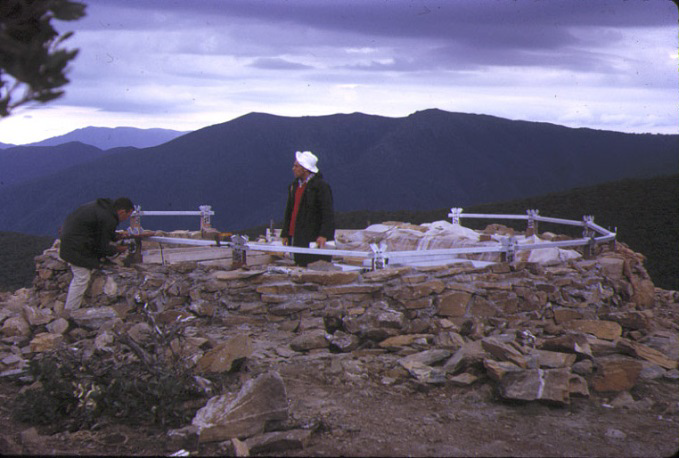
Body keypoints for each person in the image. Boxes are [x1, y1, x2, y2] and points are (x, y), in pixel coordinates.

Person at [59, 197, 135, 310]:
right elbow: (102, 247)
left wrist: (114, 236)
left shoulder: (103, 209)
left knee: (82, 276)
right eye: (128, 216)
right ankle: (69, 311)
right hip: (76, 247)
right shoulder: (108, 218)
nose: (126, 219)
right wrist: (119, 249)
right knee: (81, 278)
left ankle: (72, 308)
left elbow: (99, 232)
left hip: (70, 241)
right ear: (122, 211)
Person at [281, 151, 335, 267]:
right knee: (299, 261)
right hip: (297, 234)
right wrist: (286, 232)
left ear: (305, 169)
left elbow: (327, 212)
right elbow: (289, 211)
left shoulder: (320, 186)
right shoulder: (294, 186)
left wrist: (324, 234)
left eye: (296, 166)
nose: (293, 169)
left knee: (313, 263)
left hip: (312, 234)